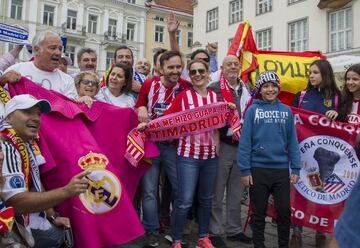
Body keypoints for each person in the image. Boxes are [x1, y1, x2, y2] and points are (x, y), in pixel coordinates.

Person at [0, 94, 90, 247]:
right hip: (9, 230)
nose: (36, 118)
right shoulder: (6, 146)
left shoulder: (26, 143)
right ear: (8, 118)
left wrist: (53, 215)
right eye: (27, 112)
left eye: (38, 114)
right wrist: (66, 191)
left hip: (23, 221)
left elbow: (35, 180)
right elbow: (16, 203)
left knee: (59, 235)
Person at [238, 71, 300, 248]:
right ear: (260, 89)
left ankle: (283, 244)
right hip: (258, 170)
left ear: (278, 88)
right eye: (266, 86)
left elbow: (293, 142)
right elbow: (245, 142)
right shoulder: (252, 111)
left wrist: (295, 168)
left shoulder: (286, 111)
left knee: (284, 211)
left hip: (280, 170)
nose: (270, 89)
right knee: (258, 213)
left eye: (273, 86)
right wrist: (245, 170)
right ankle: (259, 244)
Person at [136, 50, 190, 247]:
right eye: (171, 67)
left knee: (179, 189)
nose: (175, 71)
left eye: (178, 67)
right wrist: (140, 108)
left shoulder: (185, 86)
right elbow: (140, 105)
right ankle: (151, 229)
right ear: (161, 68)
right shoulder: (149, 84)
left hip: (174, 146)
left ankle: (174, 229)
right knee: (149, 190)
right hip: (151, 144)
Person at [166, 59, 220, 248]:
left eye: (201, 71)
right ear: (189, 75)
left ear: (207, 73)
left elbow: (219, 125)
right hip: (188, 156)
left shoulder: (215, 97)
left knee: (206, 199)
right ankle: (177, 239)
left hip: (210, 157)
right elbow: (167, 120)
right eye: (193, 71)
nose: (197, 74)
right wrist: (147, 125)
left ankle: (203, 237)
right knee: (185, 201)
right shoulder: (183, 97)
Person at [291, 59, 344, 248]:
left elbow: (345, 127)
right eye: (309, 72)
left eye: (315, 72)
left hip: (327, 158)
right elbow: (293, 123)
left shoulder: (338, 97)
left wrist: (337, 115)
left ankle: (321, 233)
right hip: (304, 155)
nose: (311, 76)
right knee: (300, 192)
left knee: (323, 194)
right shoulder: (301, 95)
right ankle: (296, 233)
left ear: (325, 74)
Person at [208, 55, 252, 247]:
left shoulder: (247, 89)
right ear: (222, 69)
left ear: (240, 67)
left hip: (242, 146)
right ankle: (214, 231)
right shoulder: (214, 89)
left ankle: (234, 229)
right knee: (217, 191)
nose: (233, 67)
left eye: (236, 64)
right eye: (229, 64)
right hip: (223, 144)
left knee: (236, 191)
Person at [4, 30, 77, 99]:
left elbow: (70, 109)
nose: (58, 53)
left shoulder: (67, 81)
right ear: (37, 49)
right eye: (53, 48)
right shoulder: (16, 70)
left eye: (60, 49)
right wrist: (2, 80)